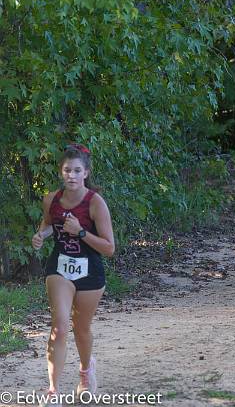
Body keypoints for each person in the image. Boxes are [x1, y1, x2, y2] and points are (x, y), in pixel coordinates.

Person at [31, 144, 115, 402]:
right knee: (60, 325)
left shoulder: (95, 203)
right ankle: (53, 390)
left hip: (90, 271)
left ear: (86, 173)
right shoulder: (51, 199)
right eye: (67, 170)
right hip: (60, 267)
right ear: (61, 172)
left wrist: (80, 231)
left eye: (77, 170)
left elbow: (109, 248)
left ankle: (86, 373)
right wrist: (41, 235)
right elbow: (49, 223)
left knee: (81, 329)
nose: (72, 175)